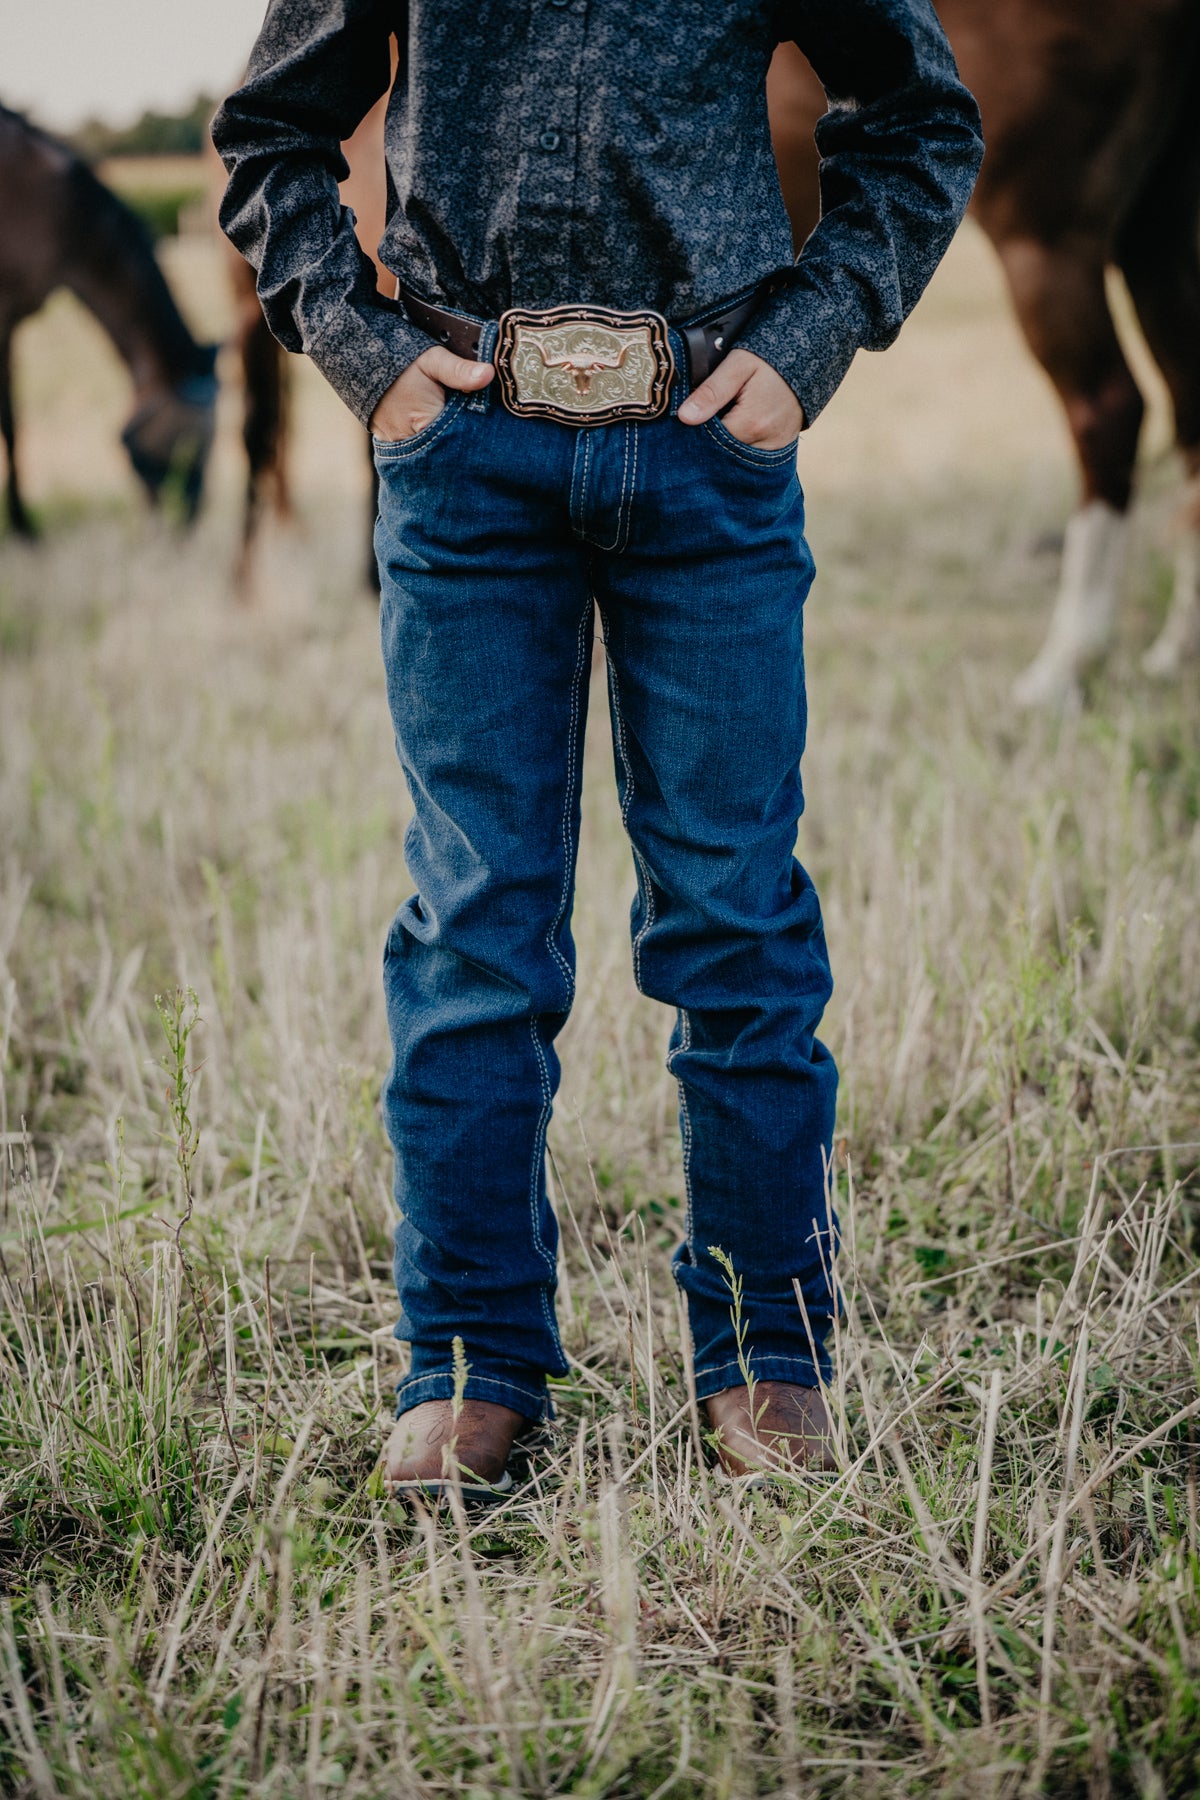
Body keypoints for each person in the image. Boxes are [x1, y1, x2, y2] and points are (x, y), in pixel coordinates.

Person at [214, 1, 982, 1499]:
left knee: (736, 917)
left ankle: (770, 1353)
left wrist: (808, 347)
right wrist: (373, 360)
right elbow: (271, 135)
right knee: (477, 930)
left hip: (706, 445)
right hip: (466, 454)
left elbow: (920, 117)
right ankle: (468, 1363)